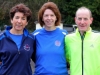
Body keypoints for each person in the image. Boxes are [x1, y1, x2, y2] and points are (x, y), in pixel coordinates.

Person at [32, 2, 68, 75]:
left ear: (56, 17)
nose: (49, 18)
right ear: (42, 18)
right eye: (46, 15)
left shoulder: (64, 35)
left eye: (52, 15)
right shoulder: (35, 35)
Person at [0, 3, 35, 75]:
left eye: (23, 18)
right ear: (11, 20)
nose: (19, 21)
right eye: (17, 17)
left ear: (26, 22)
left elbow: (38, 59)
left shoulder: (32, 39)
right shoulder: (2, 38)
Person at [65, 6, 100, 75]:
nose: (82, 22)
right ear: (75, 19)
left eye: (85, 19)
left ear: (91, 20)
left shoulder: (98, 37)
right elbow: (67, 59)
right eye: (79, 18)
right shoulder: (68, 39)